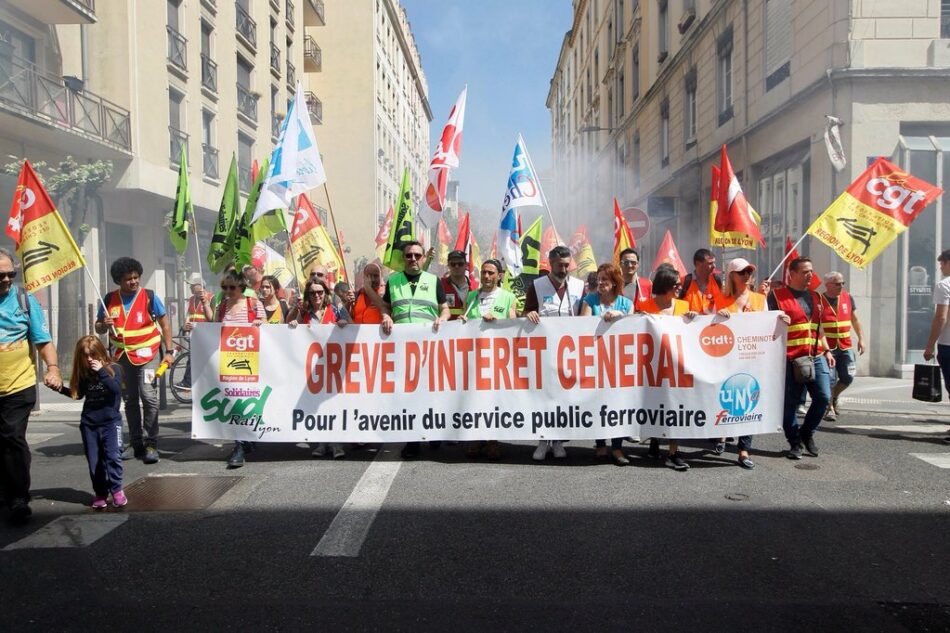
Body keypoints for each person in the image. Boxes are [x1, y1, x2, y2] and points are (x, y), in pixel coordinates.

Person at [0, 248, 61, 524]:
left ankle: (17, 498)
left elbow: (42, 339)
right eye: (1, 275)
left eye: (11, 274)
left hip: (18, 384)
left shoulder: (24, 300)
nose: (6, 280)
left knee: (12, 437)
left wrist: (53, 368)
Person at [96, 257, 173, 465]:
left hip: (148, 356)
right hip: (121, 358)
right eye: (128, 279)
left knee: (148, 396)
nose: (133, 281)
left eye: (136, 277)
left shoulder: (149, 296)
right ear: (119, 281)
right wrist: (103, 324)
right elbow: (99, 328)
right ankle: (135, 442)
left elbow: (165, 325)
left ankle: (151, 442)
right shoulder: (108, 299)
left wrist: (170, 351)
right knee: (129, 399)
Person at [381, 241, 450, 459]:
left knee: (430, 391)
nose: (413, 259)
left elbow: (445, 308)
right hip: (402, 347)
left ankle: (433, 431)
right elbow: (386, 306)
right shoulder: (393, 281)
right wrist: (385, 315)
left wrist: (443, 318)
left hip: (429, 345)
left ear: (422, 258)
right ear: (403, 259)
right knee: (408, 393)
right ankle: (412, 441)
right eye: (409, 256)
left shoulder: (433, 281)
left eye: (417, 255)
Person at [768, 257, 835, 460]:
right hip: (788, 359)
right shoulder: (776, 297)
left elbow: (819, 328)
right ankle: (794, 441)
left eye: (811, 271)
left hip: (815, 355)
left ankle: (807, 433)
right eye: (805, 271)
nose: (810, 275)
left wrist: (827, 350)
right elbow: (763, 323)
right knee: (790, 404)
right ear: (792, 274)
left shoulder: (817, 297)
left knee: (823, 397)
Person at [523, 245, 586, 461]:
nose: (564, 268)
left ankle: (558, 440)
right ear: (551, 263)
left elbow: (584, 315)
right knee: (544, 397)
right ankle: (542, 440)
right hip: (544, 350)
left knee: (563, 397)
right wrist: (529, 313)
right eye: (560, 265)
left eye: (567, 265)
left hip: (569, 351)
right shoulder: (537, 285)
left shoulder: (578, 286)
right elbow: (528, 310)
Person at [51, 336, 127, 509]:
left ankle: (117, 490)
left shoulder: (114, 369)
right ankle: (100, 492)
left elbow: (115, 390)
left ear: (101, 353)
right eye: (85, 356)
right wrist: (60, 388)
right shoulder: (85, 374)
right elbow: (78, 395)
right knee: (94, 460)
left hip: (110, 423)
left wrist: (101, 371)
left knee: (113, 456)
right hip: (89, 424)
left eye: (93, 355)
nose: (90, 359)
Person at [638, 265, 698, 470]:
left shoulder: (683, 306)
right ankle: (655, 439)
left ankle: (673, 451)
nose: (680, 288)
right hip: (652, 365)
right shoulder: (645, 305)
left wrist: (692, 318)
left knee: (676, 405)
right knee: (655, 403)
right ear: (664, 286)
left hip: (676, 365)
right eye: (676, 285)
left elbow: (693, 331)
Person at [714, 258, 771, 469]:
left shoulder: (759, 298)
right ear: (732, 276)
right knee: (726, 398)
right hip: (726, 358)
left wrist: (780, 320)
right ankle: (721, 434)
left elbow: (767, 324)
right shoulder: (720, 299)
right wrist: (716, 317)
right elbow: (708, 329)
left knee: (748, 401)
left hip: (751, 359)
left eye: (749, 271)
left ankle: (744, 449)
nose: (747, 275)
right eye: (742, 272)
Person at [458, 259, 517, 461]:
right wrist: (462, 322)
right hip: (474, 357)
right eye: (483, 272)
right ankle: (476, 437)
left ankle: (492, 440)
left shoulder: (508, 297)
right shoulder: (472, 296)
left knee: (493, 399)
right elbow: (464, 322)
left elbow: (513, 324)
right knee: (474, 397)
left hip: (497, 359)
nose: (486, 276)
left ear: (499, 275)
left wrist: (498, 322)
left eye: (491, 273)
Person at [291, 278, 351, 459]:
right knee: (316, 405)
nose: (316, 295)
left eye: (320, 292)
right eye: (312, 293)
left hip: (334, 365)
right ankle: (321, 443)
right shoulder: (305, 313)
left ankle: (337, 444)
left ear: (325, 293)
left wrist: (343, 323)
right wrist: (294, 323)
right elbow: (293, 329)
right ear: (308, 295)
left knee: (333, 404)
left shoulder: (335, 309)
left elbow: (351, 324)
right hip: (313, 368)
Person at [580, 263, 634, 466]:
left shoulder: (626, 303)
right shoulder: (590, 300)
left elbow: (633, 327)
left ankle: (617, 447)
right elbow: (583, 324)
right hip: (595, 359)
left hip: (619, 361)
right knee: (598, 402)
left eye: (605, 280)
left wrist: (619, 317)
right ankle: (600, 444)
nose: (601, 283)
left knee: (618, 404)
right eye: (599, 279)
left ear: (614, 283)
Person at [214, 269, 266, 468]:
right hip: (229, 361)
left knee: (246, 401)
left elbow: (267, 327)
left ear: (241, 287)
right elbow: (214, 329)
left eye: (231, 287)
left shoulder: (254, 304)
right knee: (235, 401)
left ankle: (244, 442)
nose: (227, 291)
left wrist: (261, 323)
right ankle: (240, 444)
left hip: (252, 360)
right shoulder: (222, 306)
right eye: (224, 287)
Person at [819, 271, 865, 421]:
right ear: (828, 285)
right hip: (828, 347)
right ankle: (829, 407)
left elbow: (855, 320)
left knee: (848, 376)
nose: (841, 286)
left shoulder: (848, 297)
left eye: (842, 283)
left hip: (845, 345)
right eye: (837, 283)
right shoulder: (819, 300)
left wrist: (861, 339)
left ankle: (835, 396)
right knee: (830, 379)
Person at [923, 249, 950, 444]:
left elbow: (941, 317)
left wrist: (930, 346)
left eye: (942, 263)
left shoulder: (944, 285)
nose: (940, 267)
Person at [178, 273, 212, 390]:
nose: (190, 288)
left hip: (206, 335)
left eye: (192, 285)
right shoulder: (192, 299)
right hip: (194, 335)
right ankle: (190, 382)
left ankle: (191, 382)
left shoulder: (211, 298)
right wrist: (185, 325)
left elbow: (213, 318)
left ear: (199, 285)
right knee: (193, 359)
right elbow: (189, 314)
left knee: (200, 360)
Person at [679, 248, 723, 314]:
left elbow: (721, 304)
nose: (714, 266)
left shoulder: (717, 281)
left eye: (714, 263)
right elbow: (675, 307)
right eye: (710, 263)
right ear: (698, 264)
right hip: (689, 324)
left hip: (712, 323)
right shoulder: (684, 282)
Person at [442, 250, 478, 321]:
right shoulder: (440, 285)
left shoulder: (475, 287)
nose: (456, 266)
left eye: (460, 264)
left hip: (470, 329)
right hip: (447, 329)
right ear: (448, 265)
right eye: (453, 264)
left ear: (466, 265)